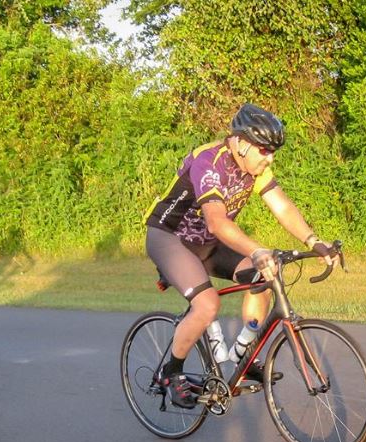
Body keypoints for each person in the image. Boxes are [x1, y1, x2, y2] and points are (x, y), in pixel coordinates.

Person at [144, 103, 338, 409]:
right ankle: (172, 373)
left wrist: (314, 241)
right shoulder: (208, 162)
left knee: (264, 276)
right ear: (242, 143)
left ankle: (245, 358)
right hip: (169, 238)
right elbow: (216, 221)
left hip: (208, 243)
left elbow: (282, 206)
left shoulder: (254, 167)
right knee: (208, 305)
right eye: (264, 150)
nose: (269, 158)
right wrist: (257, 249)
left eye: (273, 151)